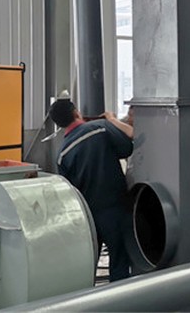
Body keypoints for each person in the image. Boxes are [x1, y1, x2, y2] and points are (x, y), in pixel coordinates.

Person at [49, 98, 134, 282]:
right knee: (119, 260)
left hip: (87, 217)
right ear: (76, 112)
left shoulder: (62, 154)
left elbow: (69, 192)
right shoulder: (101, 128)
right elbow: (127, 148)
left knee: (88, 265)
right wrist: (112, 120)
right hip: (116, 208)